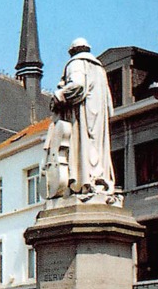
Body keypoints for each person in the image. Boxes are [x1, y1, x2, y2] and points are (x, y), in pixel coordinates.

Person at [48, 37, 116, 198]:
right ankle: (97, 180)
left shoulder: (76, 63)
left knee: (81, 147)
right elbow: (109, 104)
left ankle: (84, 182)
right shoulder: (100, 69)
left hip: (82, 115)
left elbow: (77, 85)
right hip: (99, 118)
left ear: (72, 52)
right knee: (96, 150)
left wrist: (59, 95)